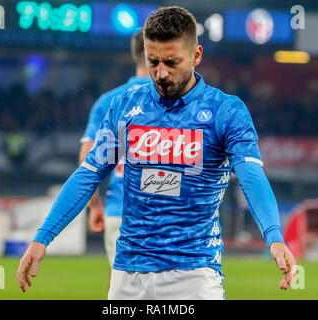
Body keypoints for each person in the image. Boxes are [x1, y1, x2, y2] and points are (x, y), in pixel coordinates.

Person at [17, 6, 296, 299]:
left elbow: (252, 176)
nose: (161, 73)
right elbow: (89, 173)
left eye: (172, 62)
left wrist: (274, 237)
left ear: (196, 56)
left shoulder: (225, 111)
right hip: (127, 275)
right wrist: (42, 237)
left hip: (193, 275)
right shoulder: (125, 106)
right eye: (154, 62)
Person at [78, 30, 151, 275]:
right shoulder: (172, 99)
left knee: (120, 286)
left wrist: (95, 205)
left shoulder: (109, 100)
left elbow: (87, 159)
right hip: (166, 212)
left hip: (118, 209)